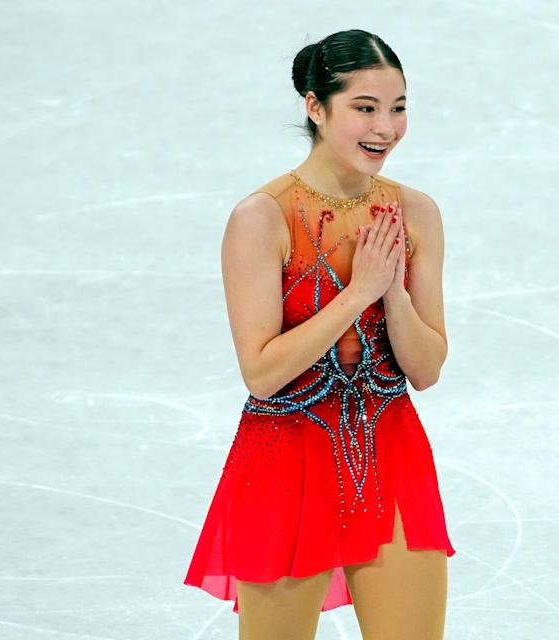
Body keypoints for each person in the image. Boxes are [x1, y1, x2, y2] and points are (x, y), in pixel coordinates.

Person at [182, 29, 455, 640]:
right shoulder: (262, 218)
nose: (385, 127)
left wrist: (391, 292)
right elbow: (262, 372)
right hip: (283, 458)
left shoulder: (417, 214)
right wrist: (356, 294)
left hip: (389, 448)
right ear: (315, 106)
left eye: (398, 107)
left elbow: (428, 367)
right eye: (365, 108)